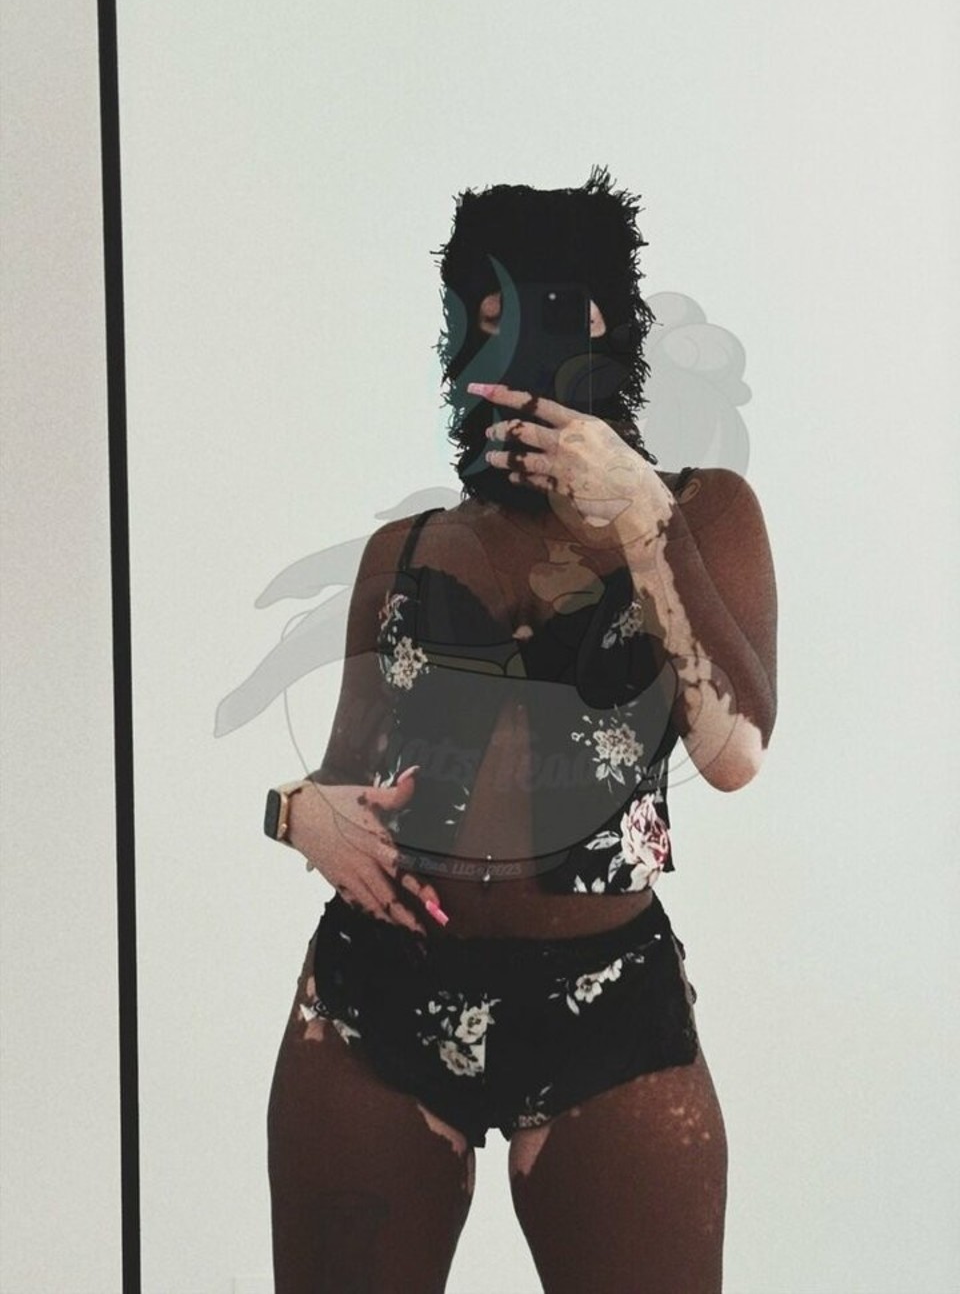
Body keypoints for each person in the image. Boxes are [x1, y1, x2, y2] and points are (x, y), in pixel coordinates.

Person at [265, 166, 778, 1292]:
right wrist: (296, 813)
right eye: (473, 327)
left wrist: (639, 517)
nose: (487, 368)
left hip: (605, 1001)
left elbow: (734, 753)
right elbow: (341, 781)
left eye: (520, 325)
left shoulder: (702, 511)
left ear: (597, 326)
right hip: (377, 996)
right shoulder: (405, 550)